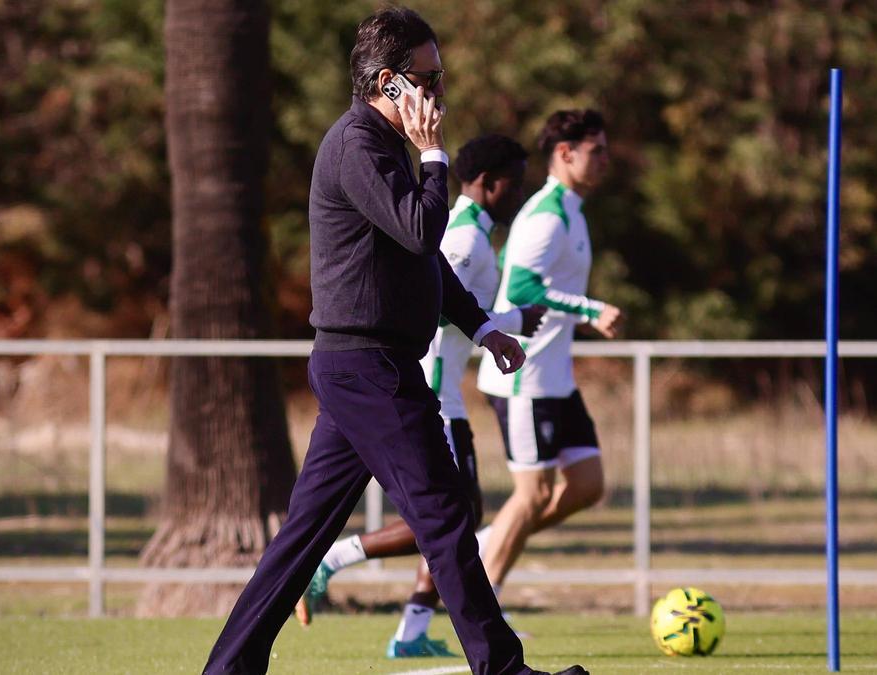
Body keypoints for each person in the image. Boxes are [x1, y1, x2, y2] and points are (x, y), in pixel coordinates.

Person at [202, 8, 586, 675]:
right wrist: (434, 156)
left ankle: (227, 669)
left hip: (367, 366)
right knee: (445, 514)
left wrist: (484, 326)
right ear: (390, 83)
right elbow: (421, 229)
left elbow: (422, 259)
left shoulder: (382, 145)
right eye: (429, 79)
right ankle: (504, 670)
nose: (439, 93)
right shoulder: (358, 144)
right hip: (368, 367)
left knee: (304, 539)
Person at [297, 134, 545, 659]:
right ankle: (336, 562)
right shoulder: (464, 236)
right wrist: (513, 320)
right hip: (427, 391)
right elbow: (435, 308)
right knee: (449, 516)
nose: (520, 194)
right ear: (488, 183)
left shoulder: (476, 232)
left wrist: (494, 326)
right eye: (515, 183)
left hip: (443, 391)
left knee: (455, 515)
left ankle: (411, 630)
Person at [475, 109, 623, 607]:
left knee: (587, 485)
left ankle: (490, 540)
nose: (605, 159)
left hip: (556, 377)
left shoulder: (571, 211)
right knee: (533, 495)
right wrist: (590, 309)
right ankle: (484, 610)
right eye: (596, 151)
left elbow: (512, 267)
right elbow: (520, 288)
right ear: (565, 153)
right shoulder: (546, 215)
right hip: (524, 377)